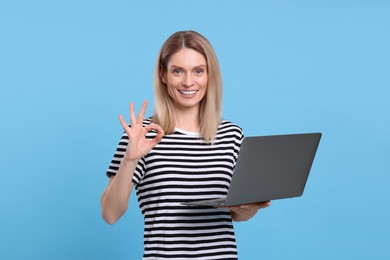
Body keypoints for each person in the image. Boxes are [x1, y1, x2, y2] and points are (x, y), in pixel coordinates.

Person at [100, 30, 271, 259]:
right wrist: (130, 158)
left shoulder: (232, 134)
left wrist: (249, 209)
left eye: (198, 71)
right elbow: (110, 214)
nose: (188, 82)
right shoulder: (143, 135)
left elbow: (237, 216)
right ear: (163, 75)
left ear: (210, 75)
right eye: (178, 71)